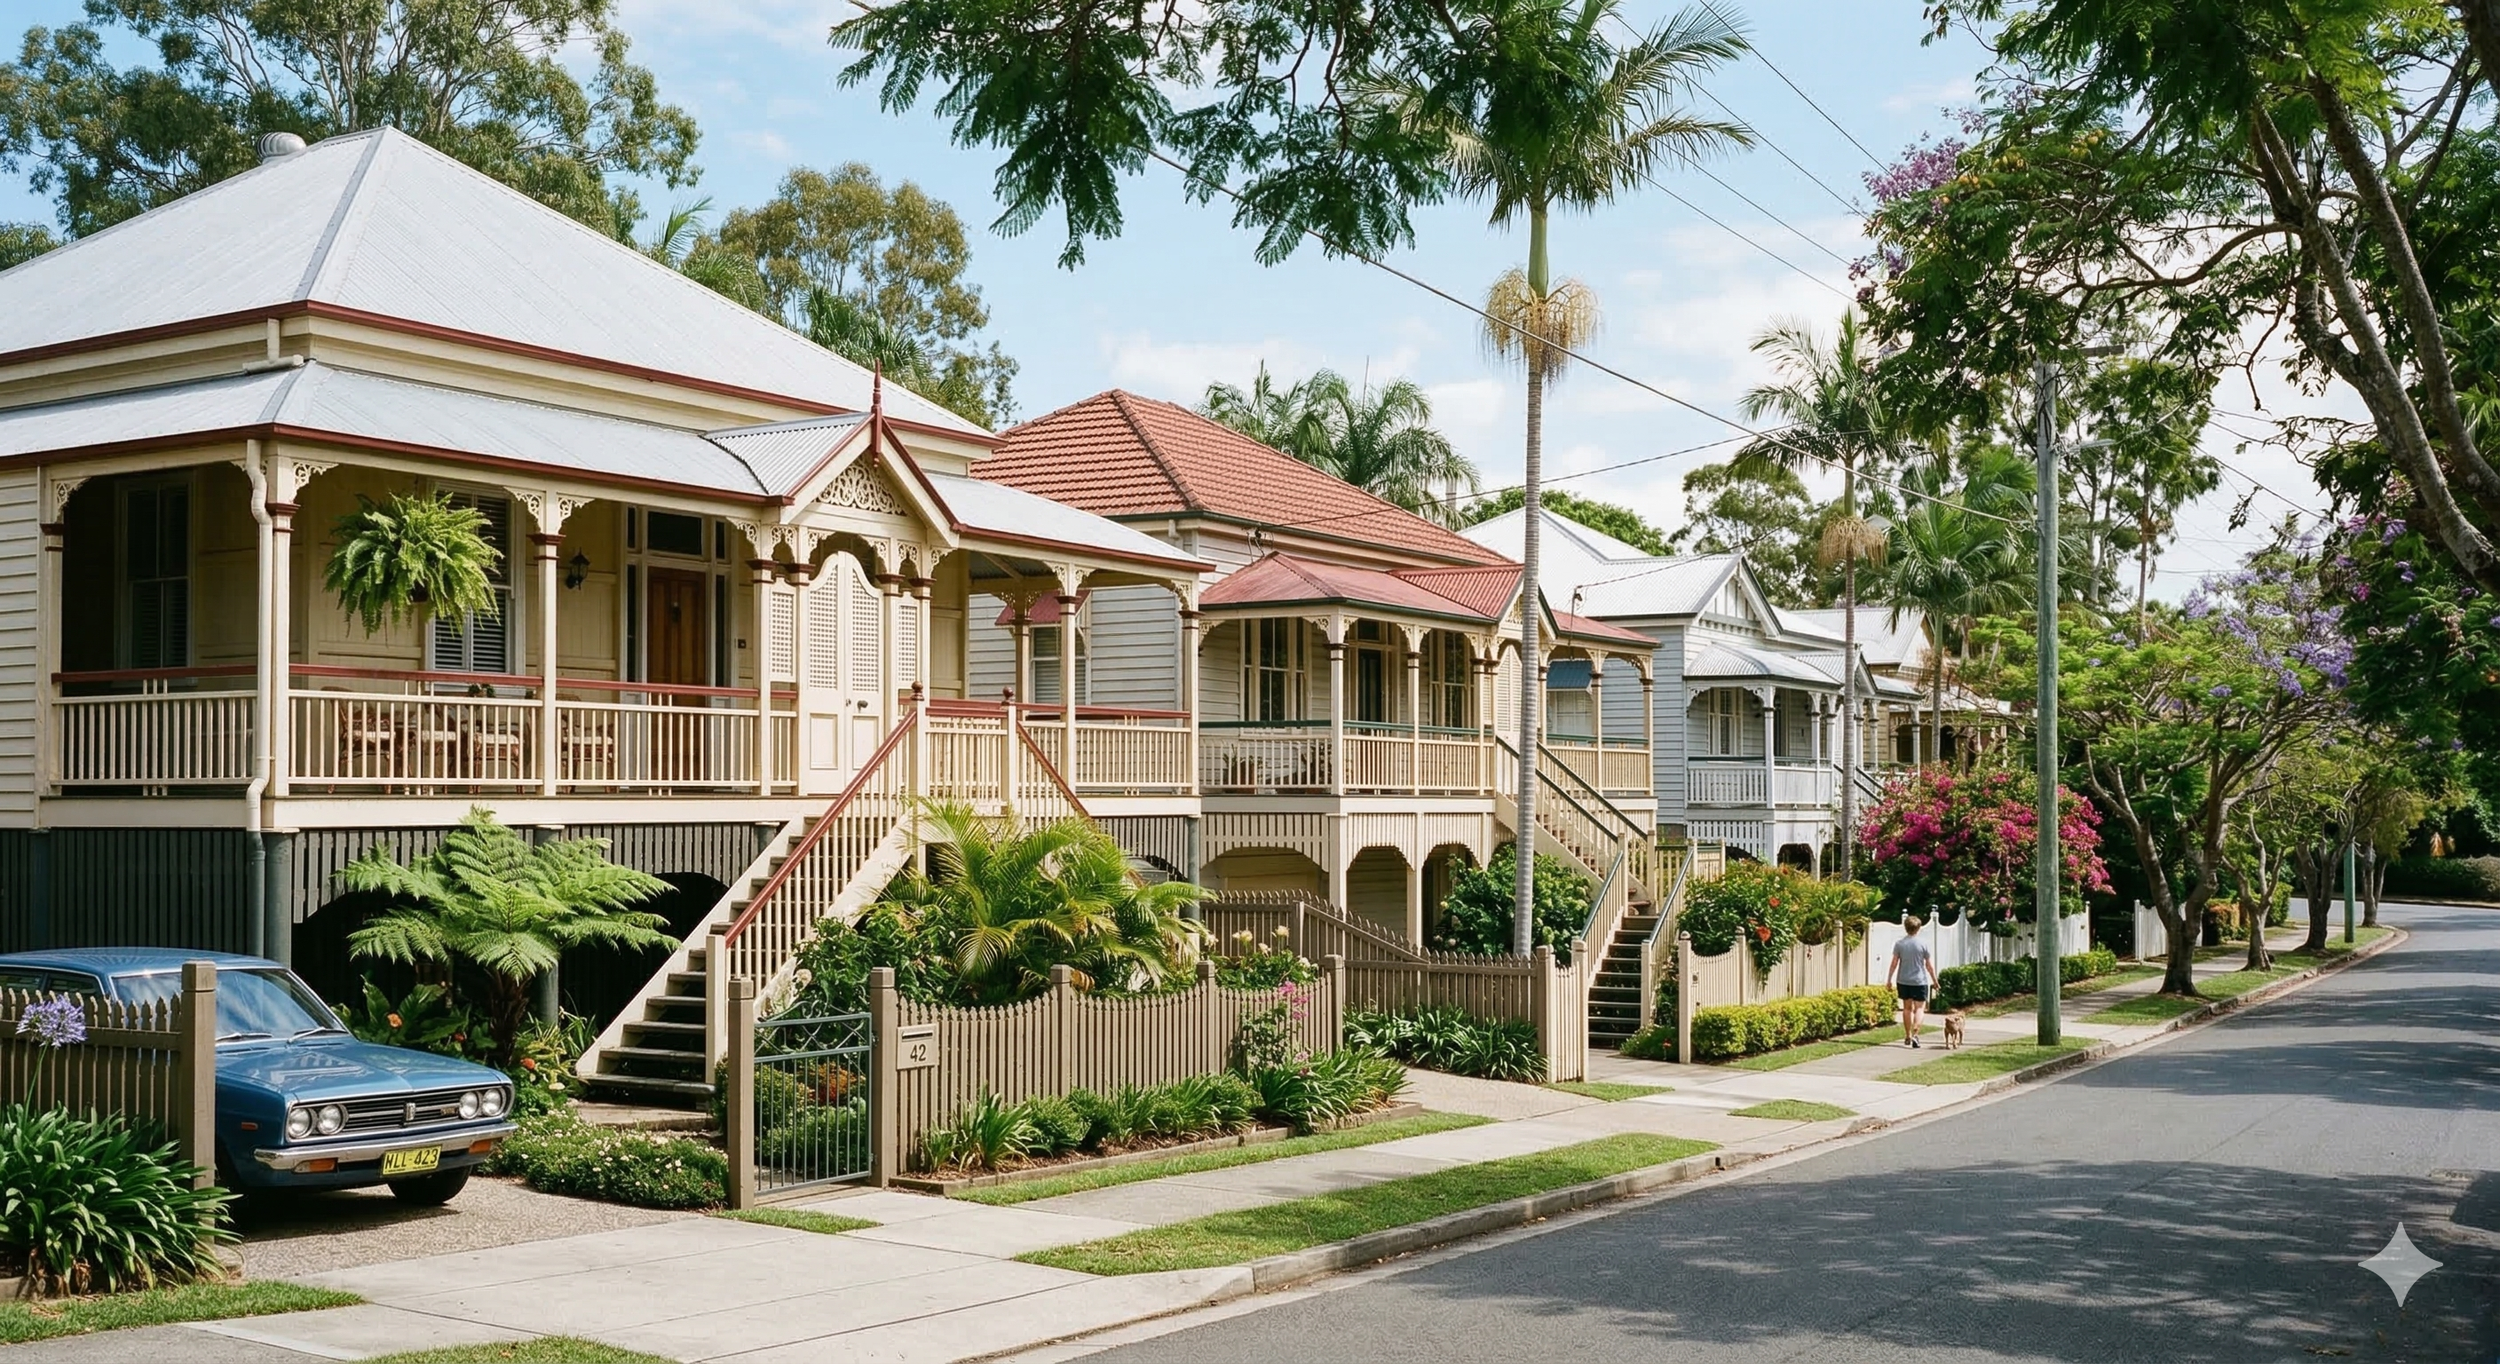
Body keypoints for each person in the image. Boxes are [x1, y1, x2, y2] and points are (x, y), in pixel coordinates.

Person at [1887, 915, 1935, 1047]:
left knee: (1907, 1008)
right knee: (1919, 1008)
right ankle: (1915, 1034)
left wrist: (1889, 979)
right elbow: (1928, 965)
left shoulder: (1899, 944)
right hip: (1919, 980)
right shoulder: (1923, 944)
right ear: (1918, 928)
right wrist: (1935, 981)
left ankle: (1907, 1035)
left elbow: (1894, 963)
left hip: (1903, 980)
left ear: (1905, 927)